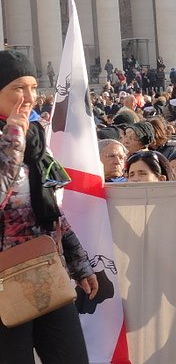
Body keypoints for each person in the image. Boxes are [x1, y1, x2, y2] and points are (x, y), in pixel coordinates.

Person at [0, 50, 97, 363]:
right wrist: (13, 137)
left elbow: (51, 208)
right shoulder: (18, 137)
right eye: (18, 88)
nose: (29, 97)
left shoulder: (36, 138)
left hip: (45, 271)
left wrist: (78, 262)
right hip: (4, 280)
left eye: (32, 87)